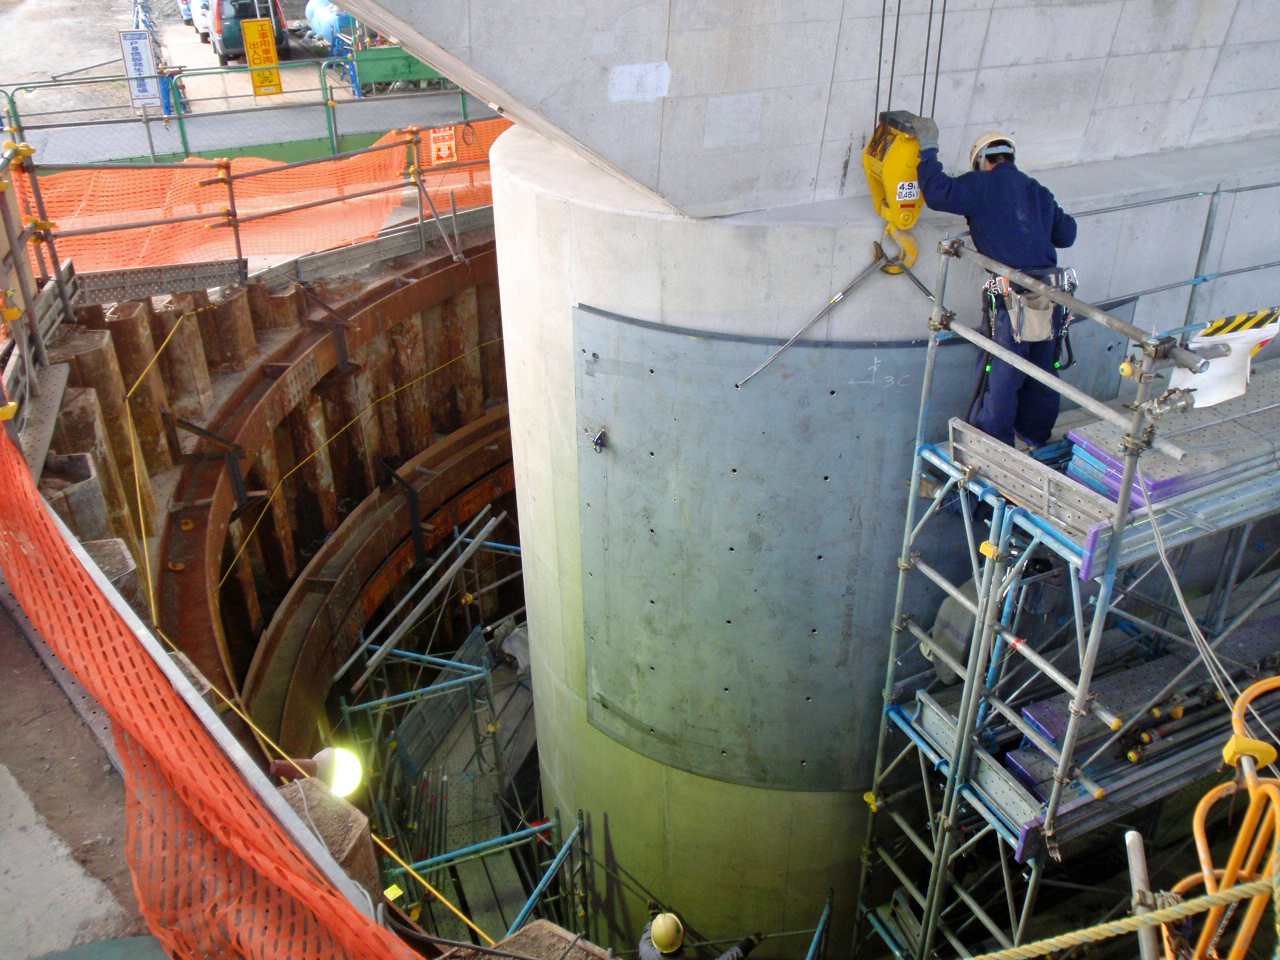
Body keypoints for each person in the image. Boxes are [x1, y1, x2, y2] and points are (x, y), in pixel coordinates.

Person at [907, 119, 1078, 449]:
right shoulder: (1037, 191)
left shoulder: (980, 185)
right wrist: (1044, 210)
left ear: (982, 160)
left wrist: (928, 151)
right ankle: (1034, 436)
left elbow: (938, 192)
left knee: (1004, 373)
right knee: (1044, 371)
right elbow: (1066, 234)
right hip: (1051, 295)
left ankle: (994, 442)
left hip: (1011, 298)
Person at [640, 901, 764, 960]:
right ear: (683, 936)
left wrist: (655, 917)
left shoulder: (644, 951)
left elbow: (648, 935)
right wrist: (744, 947)